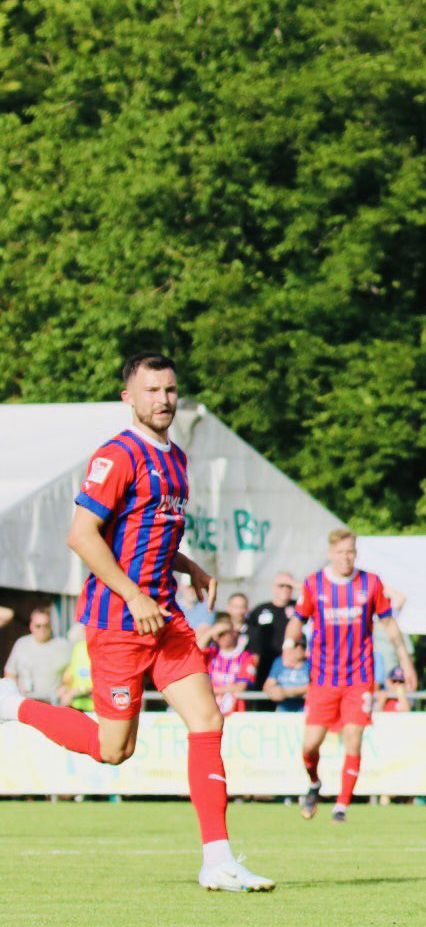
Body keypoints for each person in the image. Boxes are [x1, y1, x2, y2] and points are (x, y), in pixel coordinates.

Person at [0, 353, 272, 891]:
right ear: (129, 397)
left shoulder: (177, 459)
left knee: (208, 723)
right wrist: (133, 595)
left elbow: (147, 532)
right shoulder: (118, 454)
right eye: (151, 391)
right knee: (113, 750)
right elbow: (82, 535)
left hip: (164, 620)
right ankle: (14, 706)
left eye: (170, 390)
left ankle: (216, 860)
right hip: (118, 622)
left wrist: (186, 563)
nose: (162, 400)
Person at [286, 528, 418, 822]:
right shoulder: (314, 584)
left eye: (351, 552)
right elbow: (296, 621)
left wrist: (405, 663)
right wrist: (288, 644)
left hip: (359, 676)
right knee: (309, 745)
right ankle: (314, 783)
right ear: (330, 553)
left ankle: (341, 805)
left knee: (354, 737)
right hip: (323, 678)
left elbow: (390, 626)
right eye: (341, 552)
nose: (347, 558)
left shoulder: (370, 583)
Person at [4, 607, 74, 704]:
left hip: (53, 703)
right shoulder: (21, 644)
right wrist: (16, 688)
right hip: (25, 701)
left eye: (46, 626)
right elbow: (9, 673)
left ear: (51, 626)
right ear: (31, 626)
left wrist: (66, 688)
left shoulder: (63, 645)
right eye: (38, 626)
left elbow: (75, 672)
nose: (42, 629)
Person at [245, 572, 298, 690]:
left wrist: (296, 584)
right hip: (264, 664)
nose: (285, 589)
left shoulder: (299, 608)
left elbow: (316, 593)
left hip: (291, 663)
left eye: (289, 586)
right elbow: (250, 636)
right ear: (274, 587)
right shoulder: (261, 610)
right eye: (281, 585)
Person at [205, 615, 256, 716]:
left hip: (234, 713)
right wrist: (210, 632)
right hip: (209, 711)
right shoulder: (210, 654)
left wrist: (211, 690)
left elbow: (241, 686)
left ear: (233, 633)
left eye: (224, 633)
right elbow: (192, 653)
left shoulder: (246, 657)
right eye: (218, 634)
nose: (220, 637)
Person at [264, 636, 310, 714]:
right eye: (296, 645)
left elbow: (314, 686)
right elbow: (268, 685)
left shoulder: (310, 664)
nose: (298, 649)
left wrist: (287, 692)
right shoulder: (279, 662)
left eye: (303, 646)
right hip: (283, 709)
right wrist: (273, 692)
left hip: (304, 709)